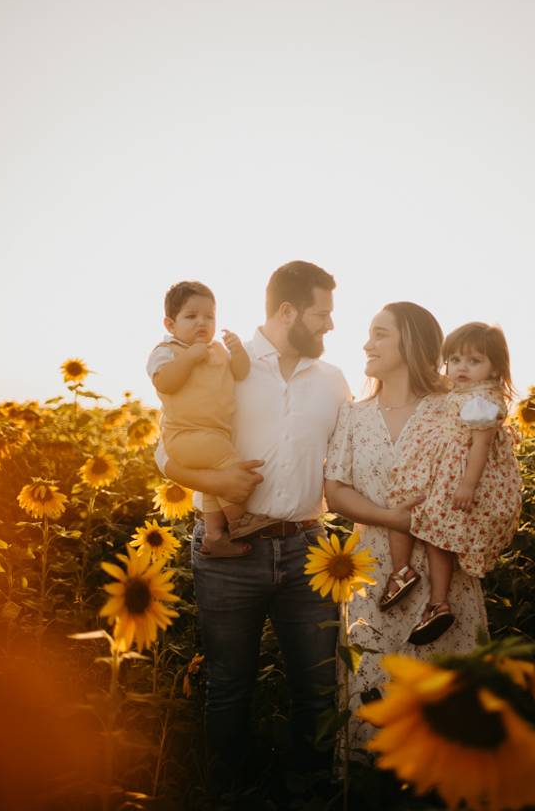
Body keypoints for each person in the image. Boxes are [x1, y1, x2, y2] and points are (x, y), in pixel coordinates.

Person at [156, 263, 413, 790]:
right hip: (230, 554)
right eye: (322, 314)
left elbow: (354, 459)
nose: (331, 327)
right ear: (288, 312)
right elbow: (167, 447)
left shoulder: (332, 381)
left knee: (318, 686)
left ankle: (311, 792)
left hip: (307, 550)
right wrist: (221, 483)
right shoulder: (225, 364)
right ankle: (226, 794)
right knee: (229, 685)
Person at [324, 302, 489, 752]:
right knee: (375, 688)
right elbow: (335, 492)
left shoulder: (454, 408)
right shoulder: (354, 415)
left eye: (380, 334)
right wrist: (394, 518)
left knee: (446, 697)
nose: (366, 343)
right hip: (375, 576)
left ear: (411, 343)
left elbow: (486, 478)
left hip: (445, 580)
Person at [387, 322, 522, 645]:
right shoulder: (462, 392)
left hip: (460, 479)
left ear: (494, 369)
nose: (462, 367)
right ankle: (414, 583)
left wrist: (467, 486)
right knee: (422, 523)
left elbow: (481, 446)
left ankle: (433, 598)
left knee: (436, 535)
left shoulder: (483, 401)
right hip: (444, 474)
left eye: (474, 361)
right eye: (456, 359)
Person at [147, 280, 252, 558]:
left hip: (213, 433)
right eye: (191, 317)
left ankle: (215, 534)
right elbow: (165, 382)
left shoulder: (218, 350)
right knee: (229, 466)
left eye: (209, 316)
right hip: (185, 435)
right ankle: (240, 522)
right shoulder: (167, 351)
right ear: (170, 324)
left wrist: (238, 351)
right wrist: (190, 358)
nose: (201, 323)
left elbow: (240, 373)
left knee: (214, 479)